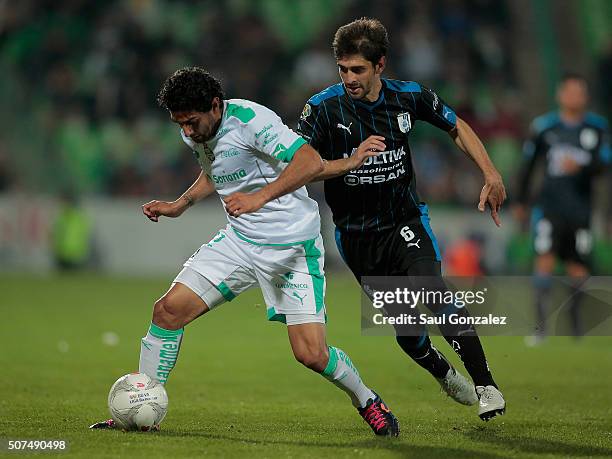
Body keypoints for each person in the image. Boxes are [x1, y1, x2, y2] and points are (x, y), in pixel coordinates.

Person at [90, 67, 399, 436]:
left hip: (292, 247)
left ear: (216, 106)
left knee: (311, 355)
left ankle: (367, 401)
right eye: (180, 124)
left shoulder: (253, 120)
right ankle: (142, 409)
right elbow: (216, 168)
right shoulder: (197, 132)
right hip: (240, 242)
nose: (187, 131)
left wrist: (259, 198)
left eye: (191, 122)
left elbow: (308, 162)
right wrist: (181, 203)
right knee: (167, 311)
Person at [297, 18, 506, 421]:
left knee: (434, 291)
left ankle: (486, 385)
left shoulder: (407, 97)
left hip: (404, 221)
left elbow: (456, 126)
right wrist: (350, 162)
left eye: (357, 69)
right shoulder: (322, 108)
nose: (349, 78)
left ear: (380, 65)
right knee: (410, 334)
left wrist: (491, 173)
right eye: (342, 69)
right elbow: (299, 166)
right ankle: (440, 369)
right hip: (357, 238)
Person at [515, 73, 610, 344]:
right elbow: (528, 165)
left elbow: (605, 164)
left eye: (579, 92)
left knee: (579, 270)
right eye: (569, 92)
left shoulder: (597, 128)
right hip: (549, 207)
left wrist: (582, 167)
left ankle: (575, 328)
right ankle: (540, 328)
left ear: (586, 97)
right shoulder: (544, 127)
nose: (574, 97)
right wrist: (521, 201)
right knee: (544, 260)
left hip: (580, 210)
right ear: (560, 95)